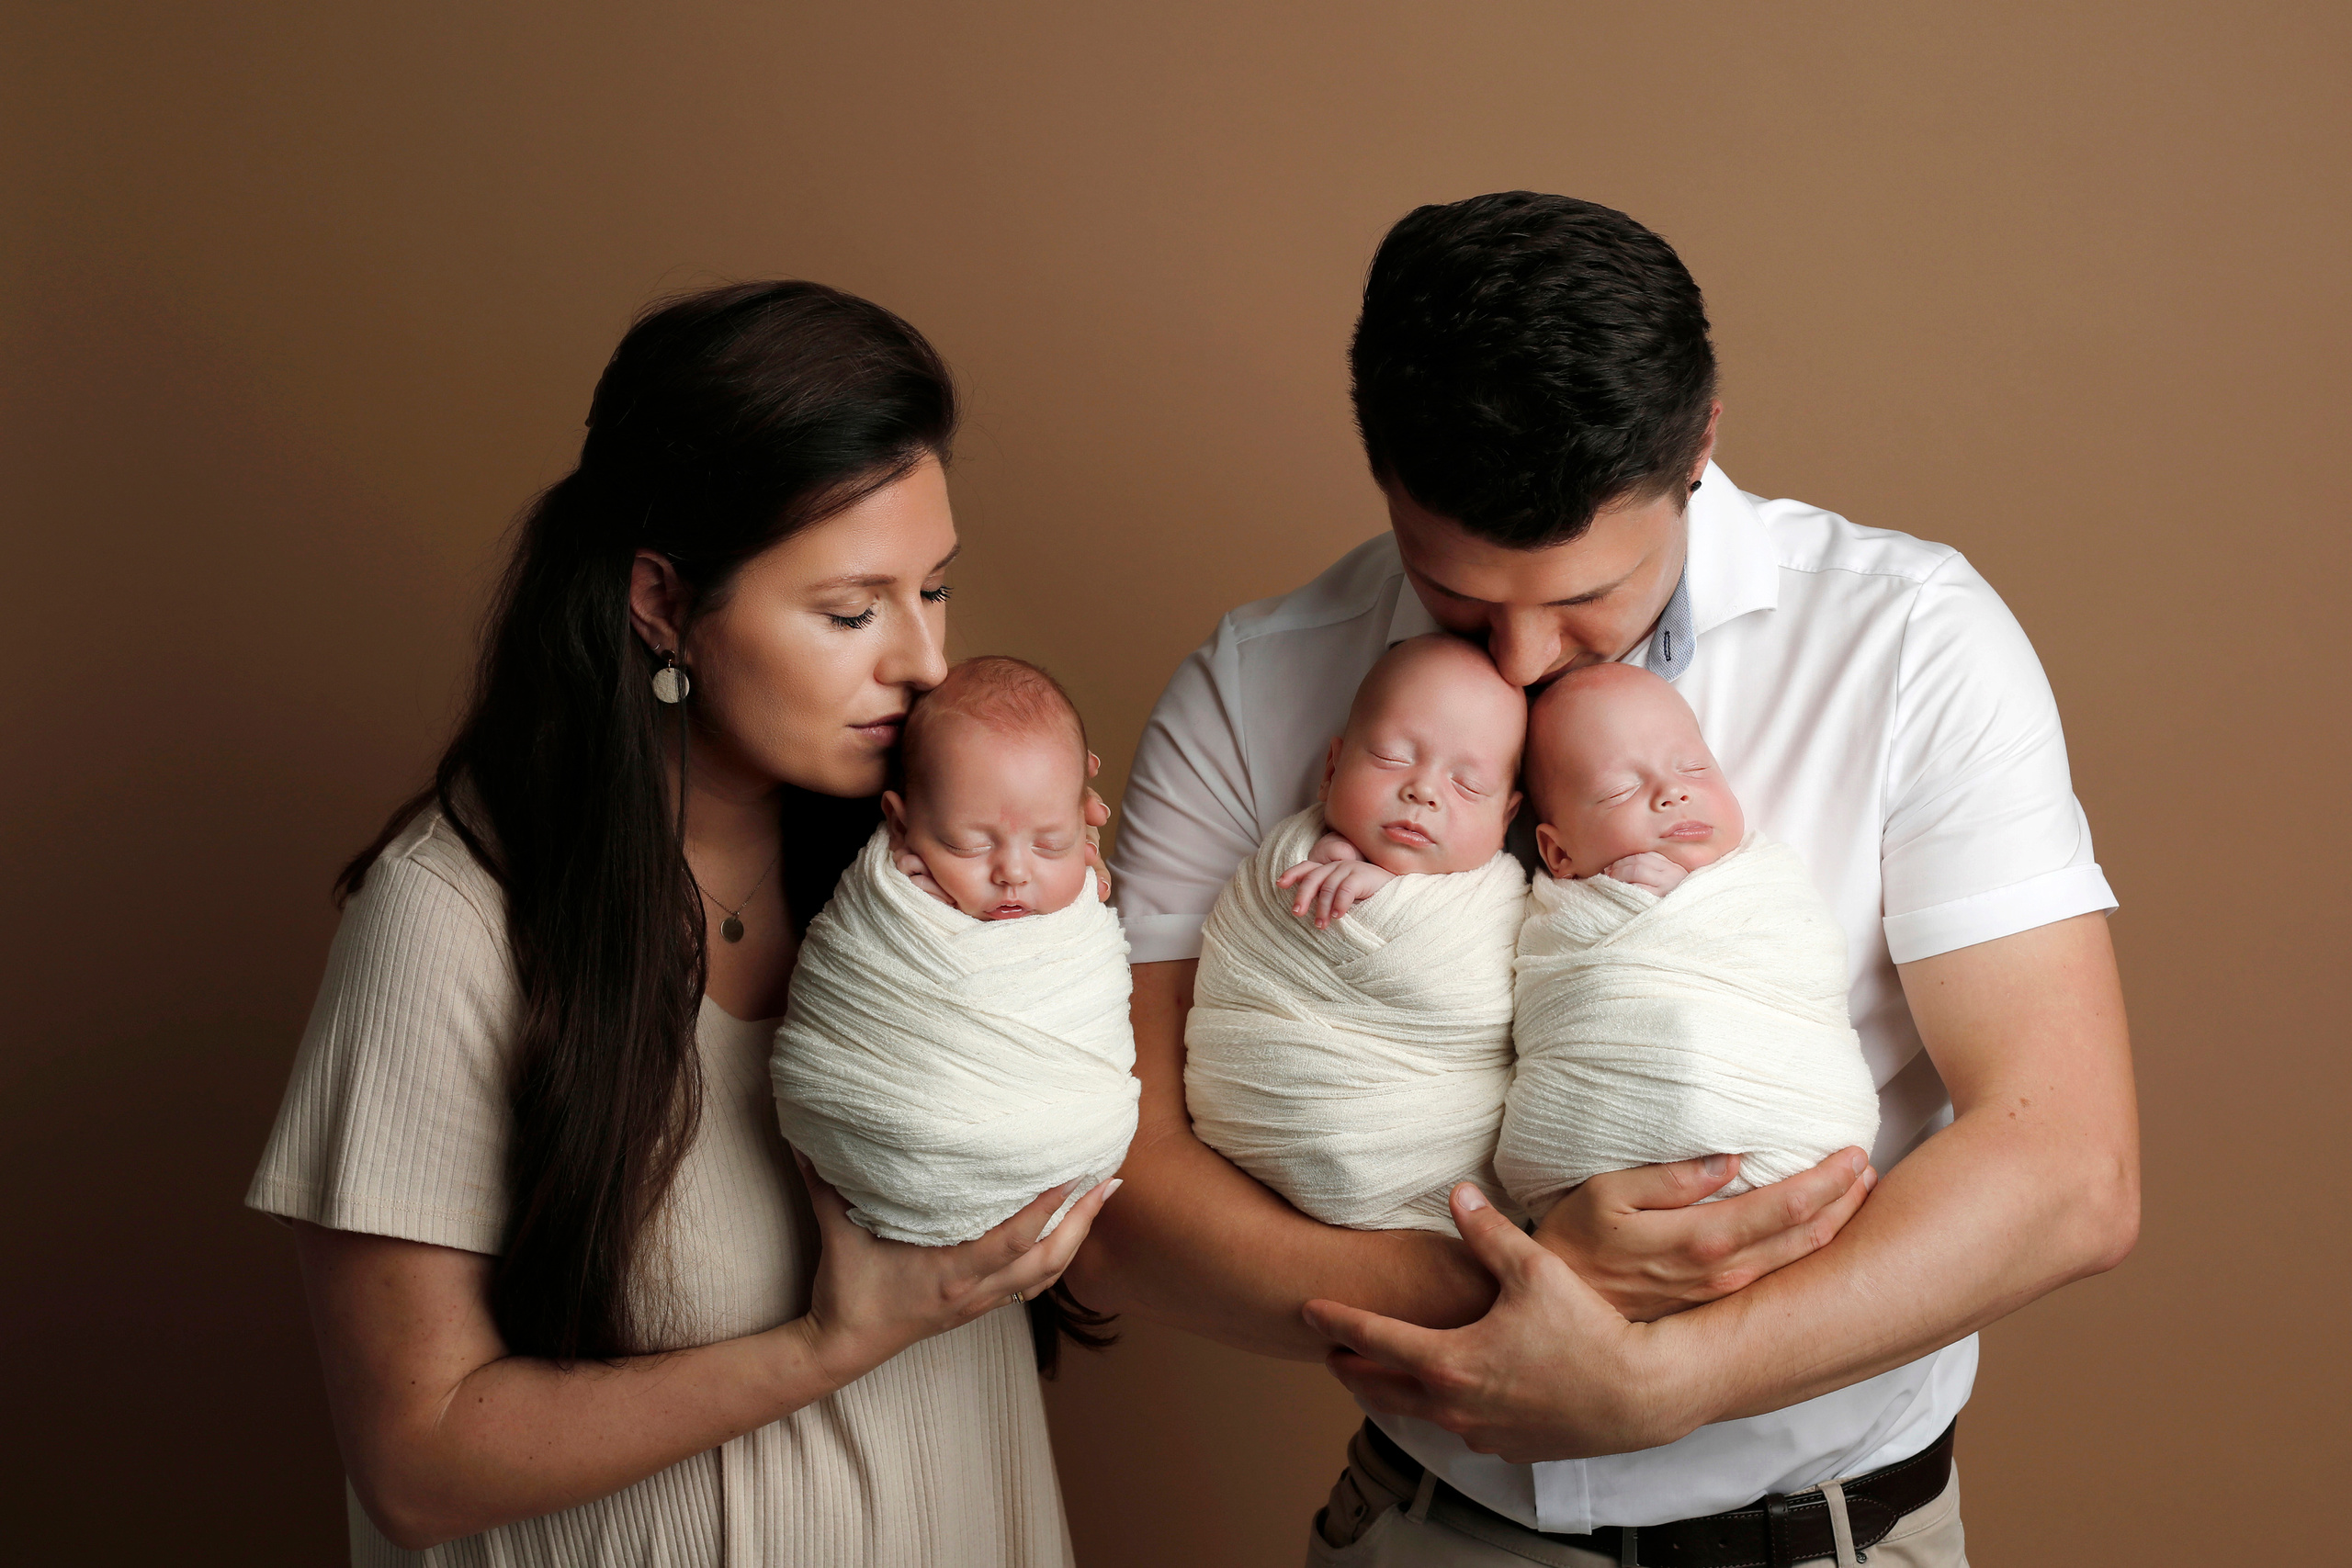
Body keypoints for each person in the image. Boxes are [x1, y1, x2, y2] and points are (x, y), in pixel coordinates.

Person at [1074, 193, 2138, 1565]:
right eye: (1455, 593)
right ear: (1382, 470)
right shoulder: (1254, 680)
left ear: (1700, 444)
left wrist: (1671, 1375)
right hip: (1422, 1529)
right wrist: (1514, 1278)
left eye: (1587, 596)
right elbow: (1115, 1199)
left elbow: (2070, 1166)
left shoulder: (1912, 642)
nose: (1520, 659)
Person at [246, 281, 1114, 1564]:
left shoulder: (914, 857)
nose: (923, 659)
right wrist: (834, 1341)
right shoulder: (452, 919)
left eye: (933, 588)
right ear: (662, 601)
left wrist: (1054, 892)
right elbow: (417, 1457)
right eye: (850, 608)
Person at [772, 655, 1139, 1249]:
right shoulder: (890, 895)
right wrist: (901, 905)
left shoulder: (1072, 902)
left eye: (1050, 841)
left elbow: (1092, 1000)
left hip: (1062, 1166)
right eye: (967, 844)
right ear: (899, 822)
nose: (1014, 873)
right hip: (894, 1146)